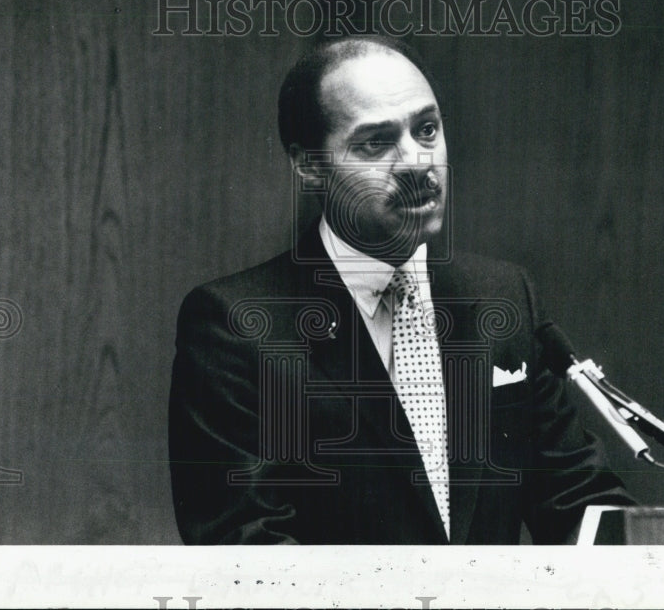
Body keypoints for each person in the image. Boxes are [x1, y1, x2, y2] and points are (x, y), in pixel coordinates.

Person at [169, 36, 633, 545]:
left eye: (427, 129)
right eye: (376, 143)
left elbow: (580, 503)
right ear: (308, 166)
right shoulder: (236, 326)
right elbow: (243, 547)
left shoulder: (503, 297)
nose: (417, 162)